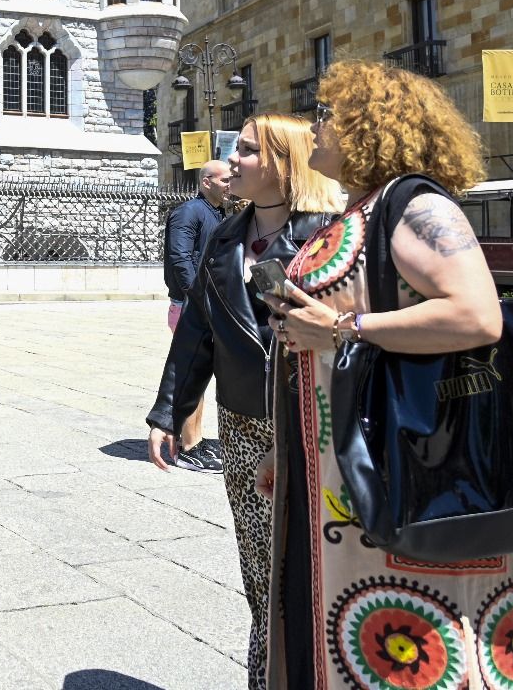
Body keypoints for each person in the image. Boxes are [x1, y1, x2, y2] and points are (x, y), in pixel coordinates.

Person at [257, 61, 513, 689]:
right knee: (339, 622)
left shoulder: (416, 204)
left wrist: (346, 331)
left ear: (366, 125)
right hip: (331, 464)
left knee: (405, 637)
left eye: (325, 114)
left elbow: (477, 315)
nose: (315, 126)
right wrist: (286, 445)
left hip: (402, 459)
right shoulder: (363, 209)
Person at [147, 115, 341, 688]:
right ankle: (268, 674)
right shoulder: (224, 236)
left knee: (317, 570)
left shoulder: (326, 234)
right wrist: (169, 409)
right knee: (261, 572)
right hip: (244, 425)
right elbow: (198, 332)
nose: (232, 160)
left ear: (284, 164)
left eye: (248, 152)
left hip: (314, 424)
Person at [159, 159, 233, 473]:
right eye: (226, 179)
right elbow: (179, 257)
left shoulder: (219, 213)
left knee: (201, 375)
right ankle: (189, 447)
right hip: (191, 307)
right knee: (193, 376)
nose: (232, 183)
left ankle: (193, 439)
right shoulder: (189, 212)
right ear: (206, 182)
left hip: (207, 306)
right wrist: (198, 299)